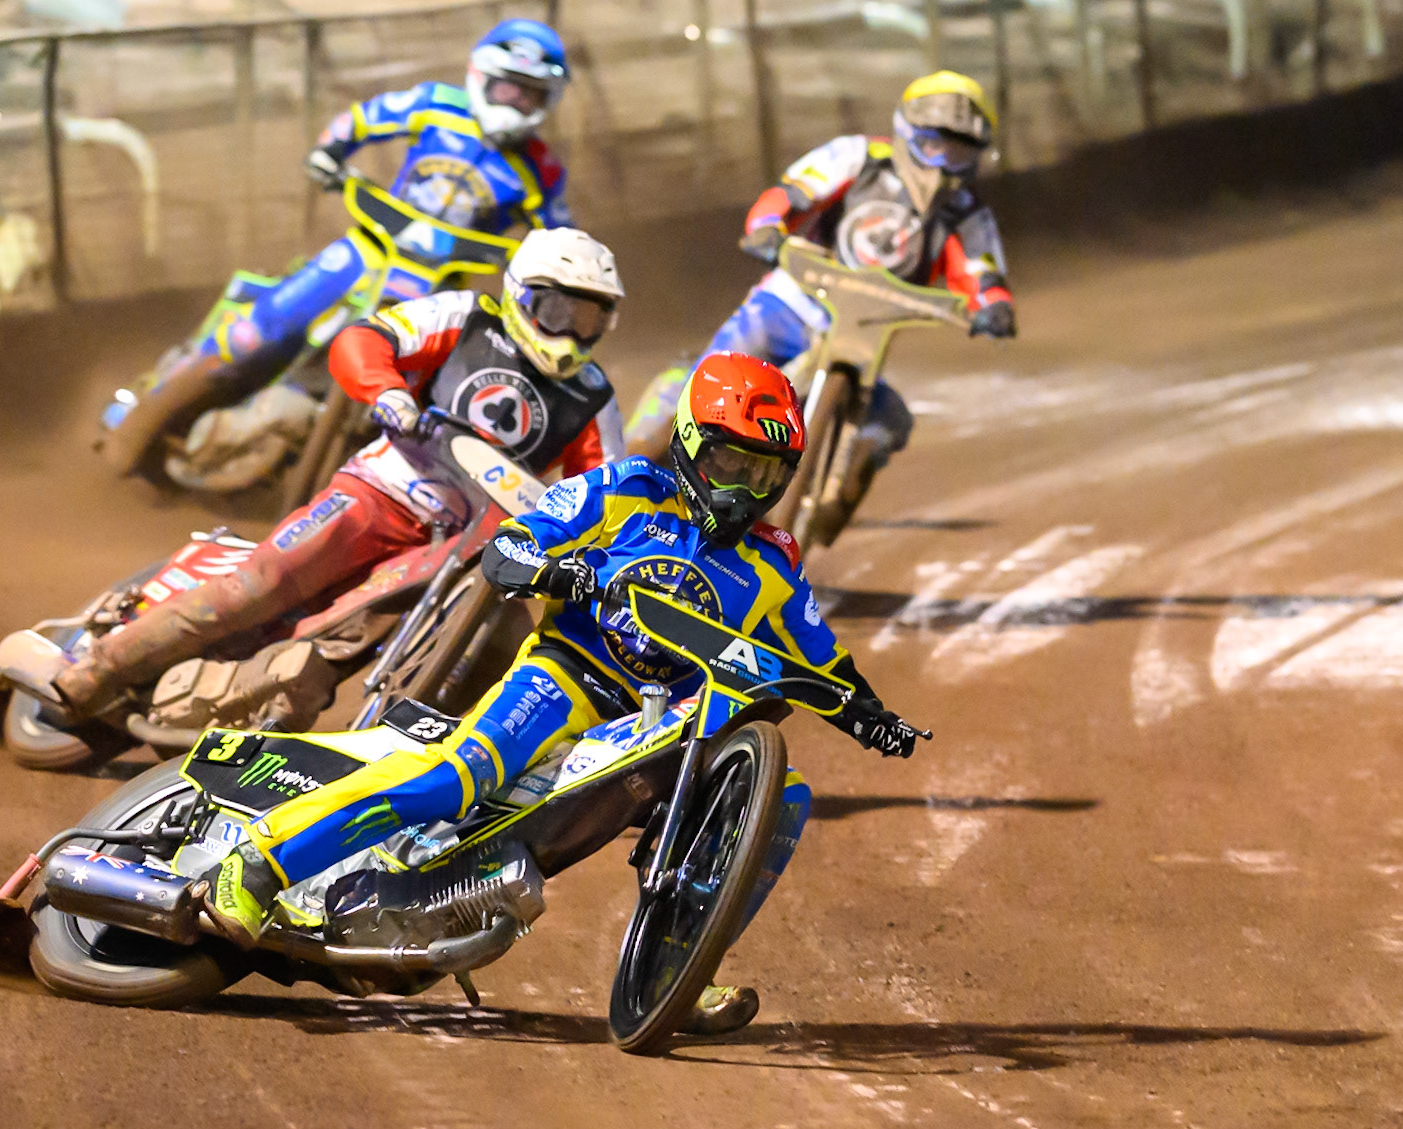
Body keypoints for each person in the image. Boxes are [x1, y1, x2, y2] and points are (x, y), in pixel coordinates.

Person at [203, 352, 922, 1035]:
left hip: (662, 721)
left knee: (784, 798)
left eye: (763, 471)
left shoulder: (773, 559)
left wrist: (872, 716)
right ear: (690, 442)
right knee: (451, 778)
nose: (741, 487)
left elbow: (822, 658)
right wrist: (557, 572)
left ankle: (681, 961)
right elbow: (512, 546)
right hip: (564, 678)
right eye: (729, 461)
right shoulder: (627, 488)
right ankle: (261, 862)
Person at [32, 227, 624, 727]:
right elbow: (364, 339)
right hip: (383, 491)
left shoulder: (594, 398)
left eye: (590, 317)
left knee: (346, 639)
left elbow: (608, 492)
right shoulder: (468, 318)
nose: (572, 331)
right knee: (256, 587)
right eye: (559, 310)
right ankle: (95, 670)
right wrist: (389, 392)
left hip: (466, 545)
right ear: (523, 295)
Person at [102, 19, 581, 473]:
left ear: (548, 99)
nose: (515, 100)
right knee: (261, 328)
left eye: (529, 93)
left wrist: (555, 280)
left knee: (429, 394)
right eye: (507, 87)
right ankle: (147, 405)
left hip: (441, 285)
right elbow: (365, 119)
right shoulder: (439, 104)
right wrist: (329, 153)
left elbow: (557, 235)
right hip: (369, 248)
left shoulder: (541, 170)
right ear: (482, 76)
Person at [624, 70, 1017, 476]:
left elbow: (982, 274)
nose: (942, 163)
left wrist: (994, 308)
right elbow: (794, 192)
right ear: (907, 130)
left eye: (958, 152)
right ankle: (633, 459)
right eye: (933, 143)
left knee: (889, 423)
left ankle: (834, 489)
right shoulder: (858, 156)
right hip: (788, 302)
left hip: (865, 335)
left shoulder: (969, 215)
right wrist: (767, 227)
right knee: (709, 380)